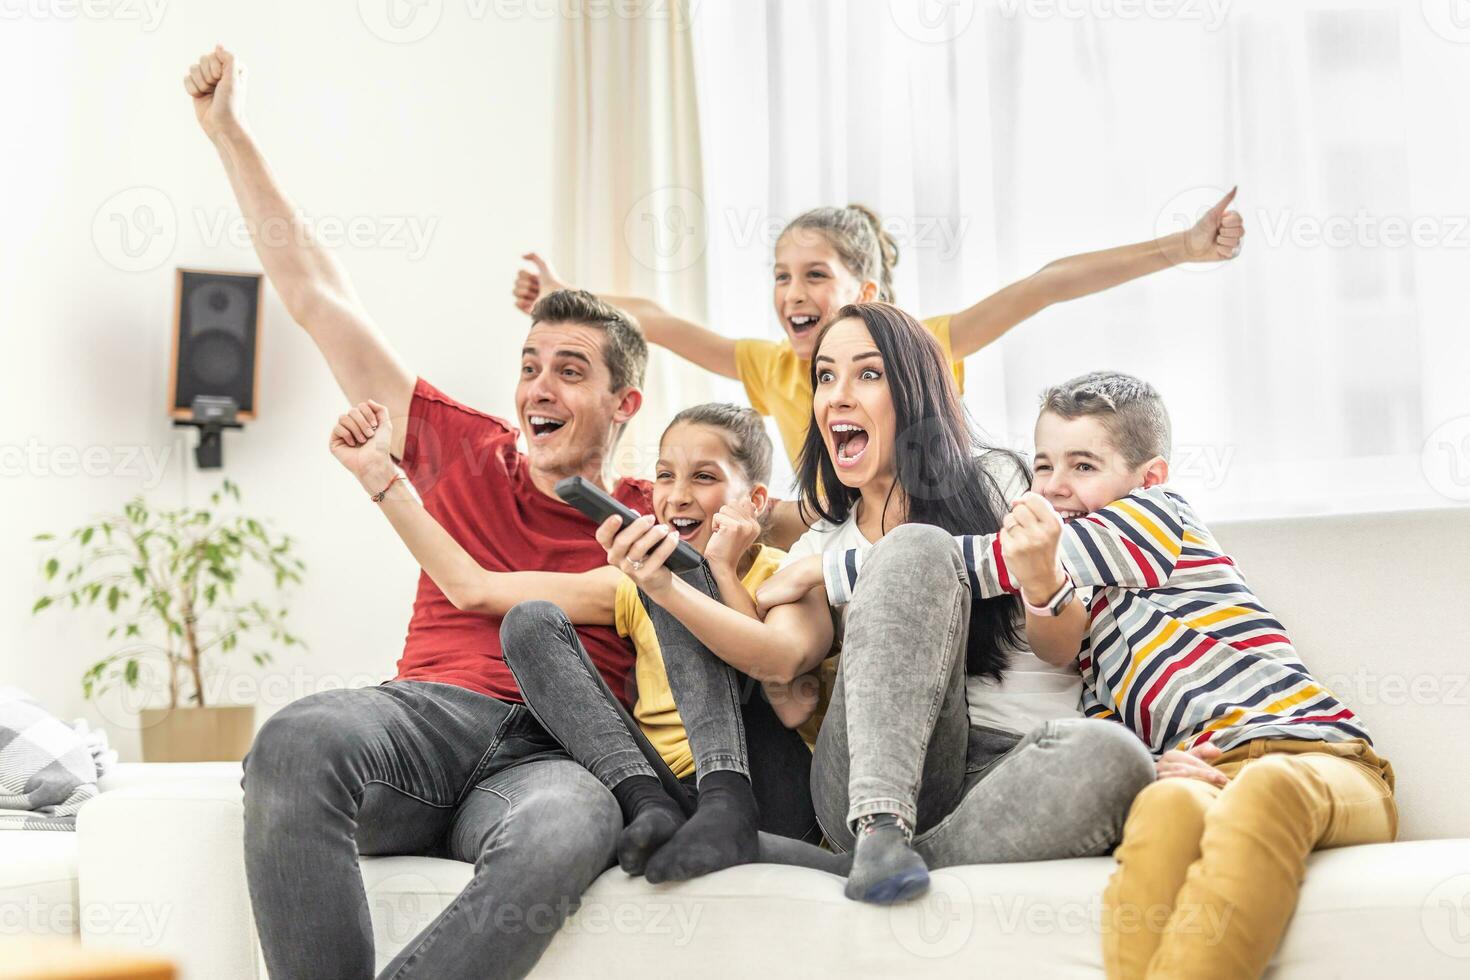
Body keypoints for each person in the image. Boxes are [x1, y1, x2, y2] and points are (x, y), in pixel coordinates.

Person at [186, 47, 656, 980]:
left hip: (552, 751)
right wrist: (228, 134)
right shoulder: (459, 444)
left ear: (624, 404)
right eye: (530, 365)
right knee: (296, 738)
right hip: (424, 721)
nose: (540, 385)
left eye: (571, 369)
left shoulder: (654, 516)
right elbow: (316, 298)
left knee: (574, 822)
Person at [818, 371, 1398, 975]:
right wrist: (1146, 763)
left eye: (1084, 466)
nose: (1056, 487)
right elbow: (1073, 671)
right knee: (1160, 811)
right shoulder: (1087, 620)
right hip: (1200, 774)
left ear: (1148, 478)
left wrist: (821, 571)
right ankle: (887, 847)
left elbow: (989, 560)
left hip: (1318, 753)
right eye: (1042, 467)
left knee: (1268, 788)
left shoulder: (1155, 518)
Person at [607, 303, 1156, 900]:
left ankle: (877, 864)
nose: (838, 396)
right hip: (875, 780)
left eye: (867, 374)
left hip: (1017, 765)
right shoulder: (820, 541)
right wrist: (666, 583)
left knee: (1118, 758)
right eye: (824, 376)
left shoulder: (999, 479)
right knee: (915, 547)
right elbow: (779, 659)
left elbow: (1070, 641)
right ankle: (880, 832)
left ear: (915, 395)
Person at [329, 397, 842, 878]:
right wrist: (381, 477)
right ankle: (647, 802)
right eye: (665, 476)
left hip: (765, 786)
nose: (678, 494)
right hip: (672, 783)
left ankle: (733, 812)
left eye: (703, 477)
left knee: (671, 580)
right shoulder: (634, 583)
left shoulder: (787, 575)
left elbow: (786, 689)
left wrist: (720, 572)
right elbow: (474, 588)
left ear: (754, 501)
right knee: (529, 622)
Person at [513, 200, 1247, 472]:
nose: (793, 294)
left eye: (814, 276)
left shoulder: (920, 345)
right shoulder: (774, 367)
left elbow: (1044, 284)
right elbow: (659, 321)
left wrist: (1179, 247)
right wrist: (561, 297)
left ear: (864, 293)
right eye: (780, 277)